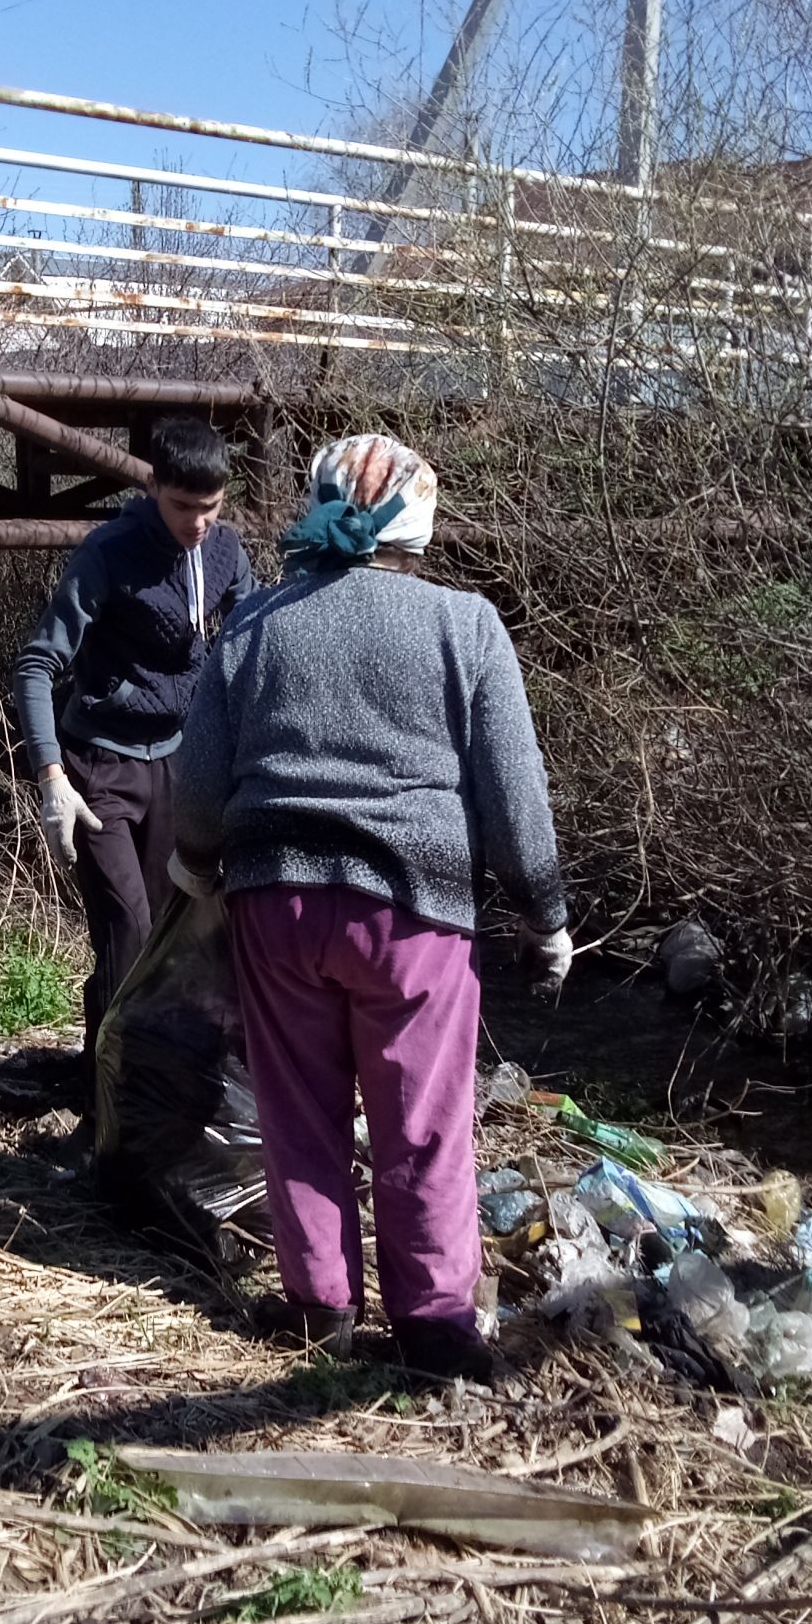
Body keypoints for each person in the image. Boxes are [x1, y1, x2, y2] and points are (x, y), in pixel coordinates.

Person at [171, 433, 571, 1385]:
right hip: (413, 913)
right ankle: (433, 1325)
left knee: (297, 1111)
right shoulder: (466, 626)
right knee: (423, 1122)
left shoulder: (257, 624)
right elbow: (515, 793)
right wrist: (544, 910)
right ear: (421, 529)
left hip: (276, 902)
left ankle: (322, 1310)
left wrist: (196, 869)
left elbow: (196, 784)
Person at [12, 418, 253, 1111]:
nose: (199, 523)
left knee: (163, 947)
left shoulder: (227, 552)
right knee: (129, 934)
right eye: (183, 507)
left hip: (177, 766)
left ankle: (112, 1080)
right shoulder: (109, 552)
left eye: (212, 508)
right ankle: (113, 1119)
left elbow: (248, 647)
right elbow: (36, 665)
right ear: (153, 487)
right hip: (100, 770)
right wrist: (51, 777)